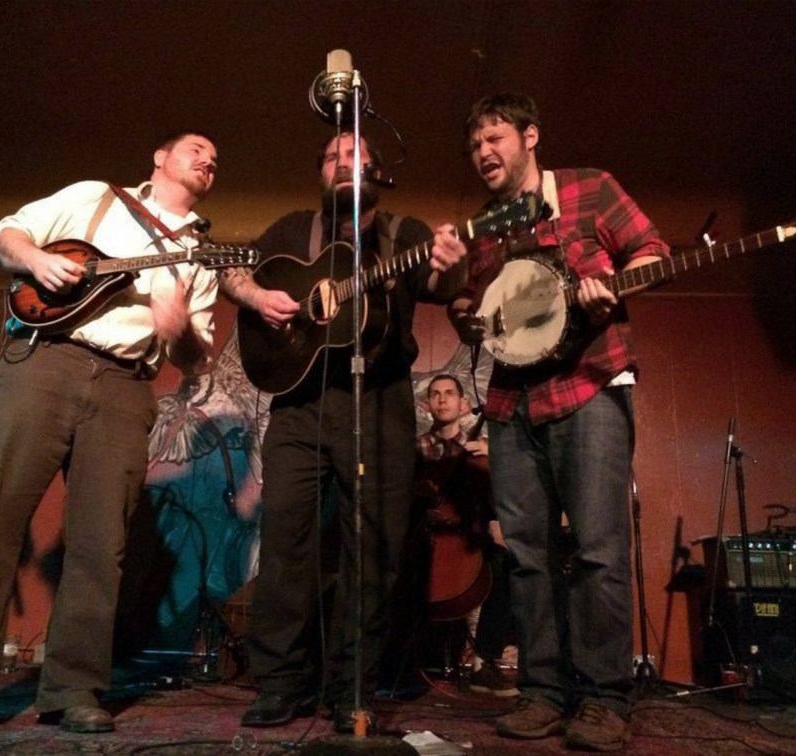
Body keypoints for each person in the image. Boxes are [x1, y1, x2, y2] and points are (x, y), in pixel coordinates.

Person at [0, 132, 220, 741]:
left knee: (100, 542)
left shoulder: (201, 257)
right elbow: (6, 234)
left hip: (124, 385)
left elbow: (194, 357)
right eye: (195, 148)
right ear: (158, 157)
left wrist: (176, 325)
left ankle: (74, 689)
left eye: (216, 159)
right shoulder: (93, 198)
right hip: (43, 363)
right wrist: (35, 259)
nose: (207, 159)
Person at [443, 94, 670, 751]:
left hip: (592, 383)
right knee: (528, 557)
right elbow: (472, 303)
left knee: (598, 550)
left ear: (530, 136)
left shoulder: (589, 189)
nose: (483, 152)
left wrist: (614, 282)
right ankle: (543, 692)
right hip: (513, 402)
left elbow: (650, 249)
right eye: (475, 144)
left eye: (495, 138)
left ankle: (604, 699)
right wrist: (464, 312)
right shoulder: (486, 224)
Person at [220, 132, 467, 733]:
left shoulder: (403, 235)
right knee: (285, 542)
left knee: (374, 550)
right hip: (299, 403)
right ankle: (281, 683)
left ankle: (350, 684)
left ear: (377, 173)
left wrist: (453, 267)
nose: (340, 163)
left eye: (353, 156)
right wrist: (255, 295)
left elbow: (441, 287)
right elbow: (232, 272)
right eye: (330, 156)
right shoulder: (291, 231)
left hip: (378, 400)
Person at [414, 374, 517, 698]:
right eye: (435, 394)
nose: (442, 399)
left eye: (449, 394)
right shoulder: (416, 448)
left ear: (463, 404)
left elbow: (500, 498)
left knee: (505, 563)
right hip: (426, 536)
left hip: (467, 536)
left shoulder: (481, 448)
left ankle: (483, 661)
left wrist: (494, 460)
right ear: (427, 404)